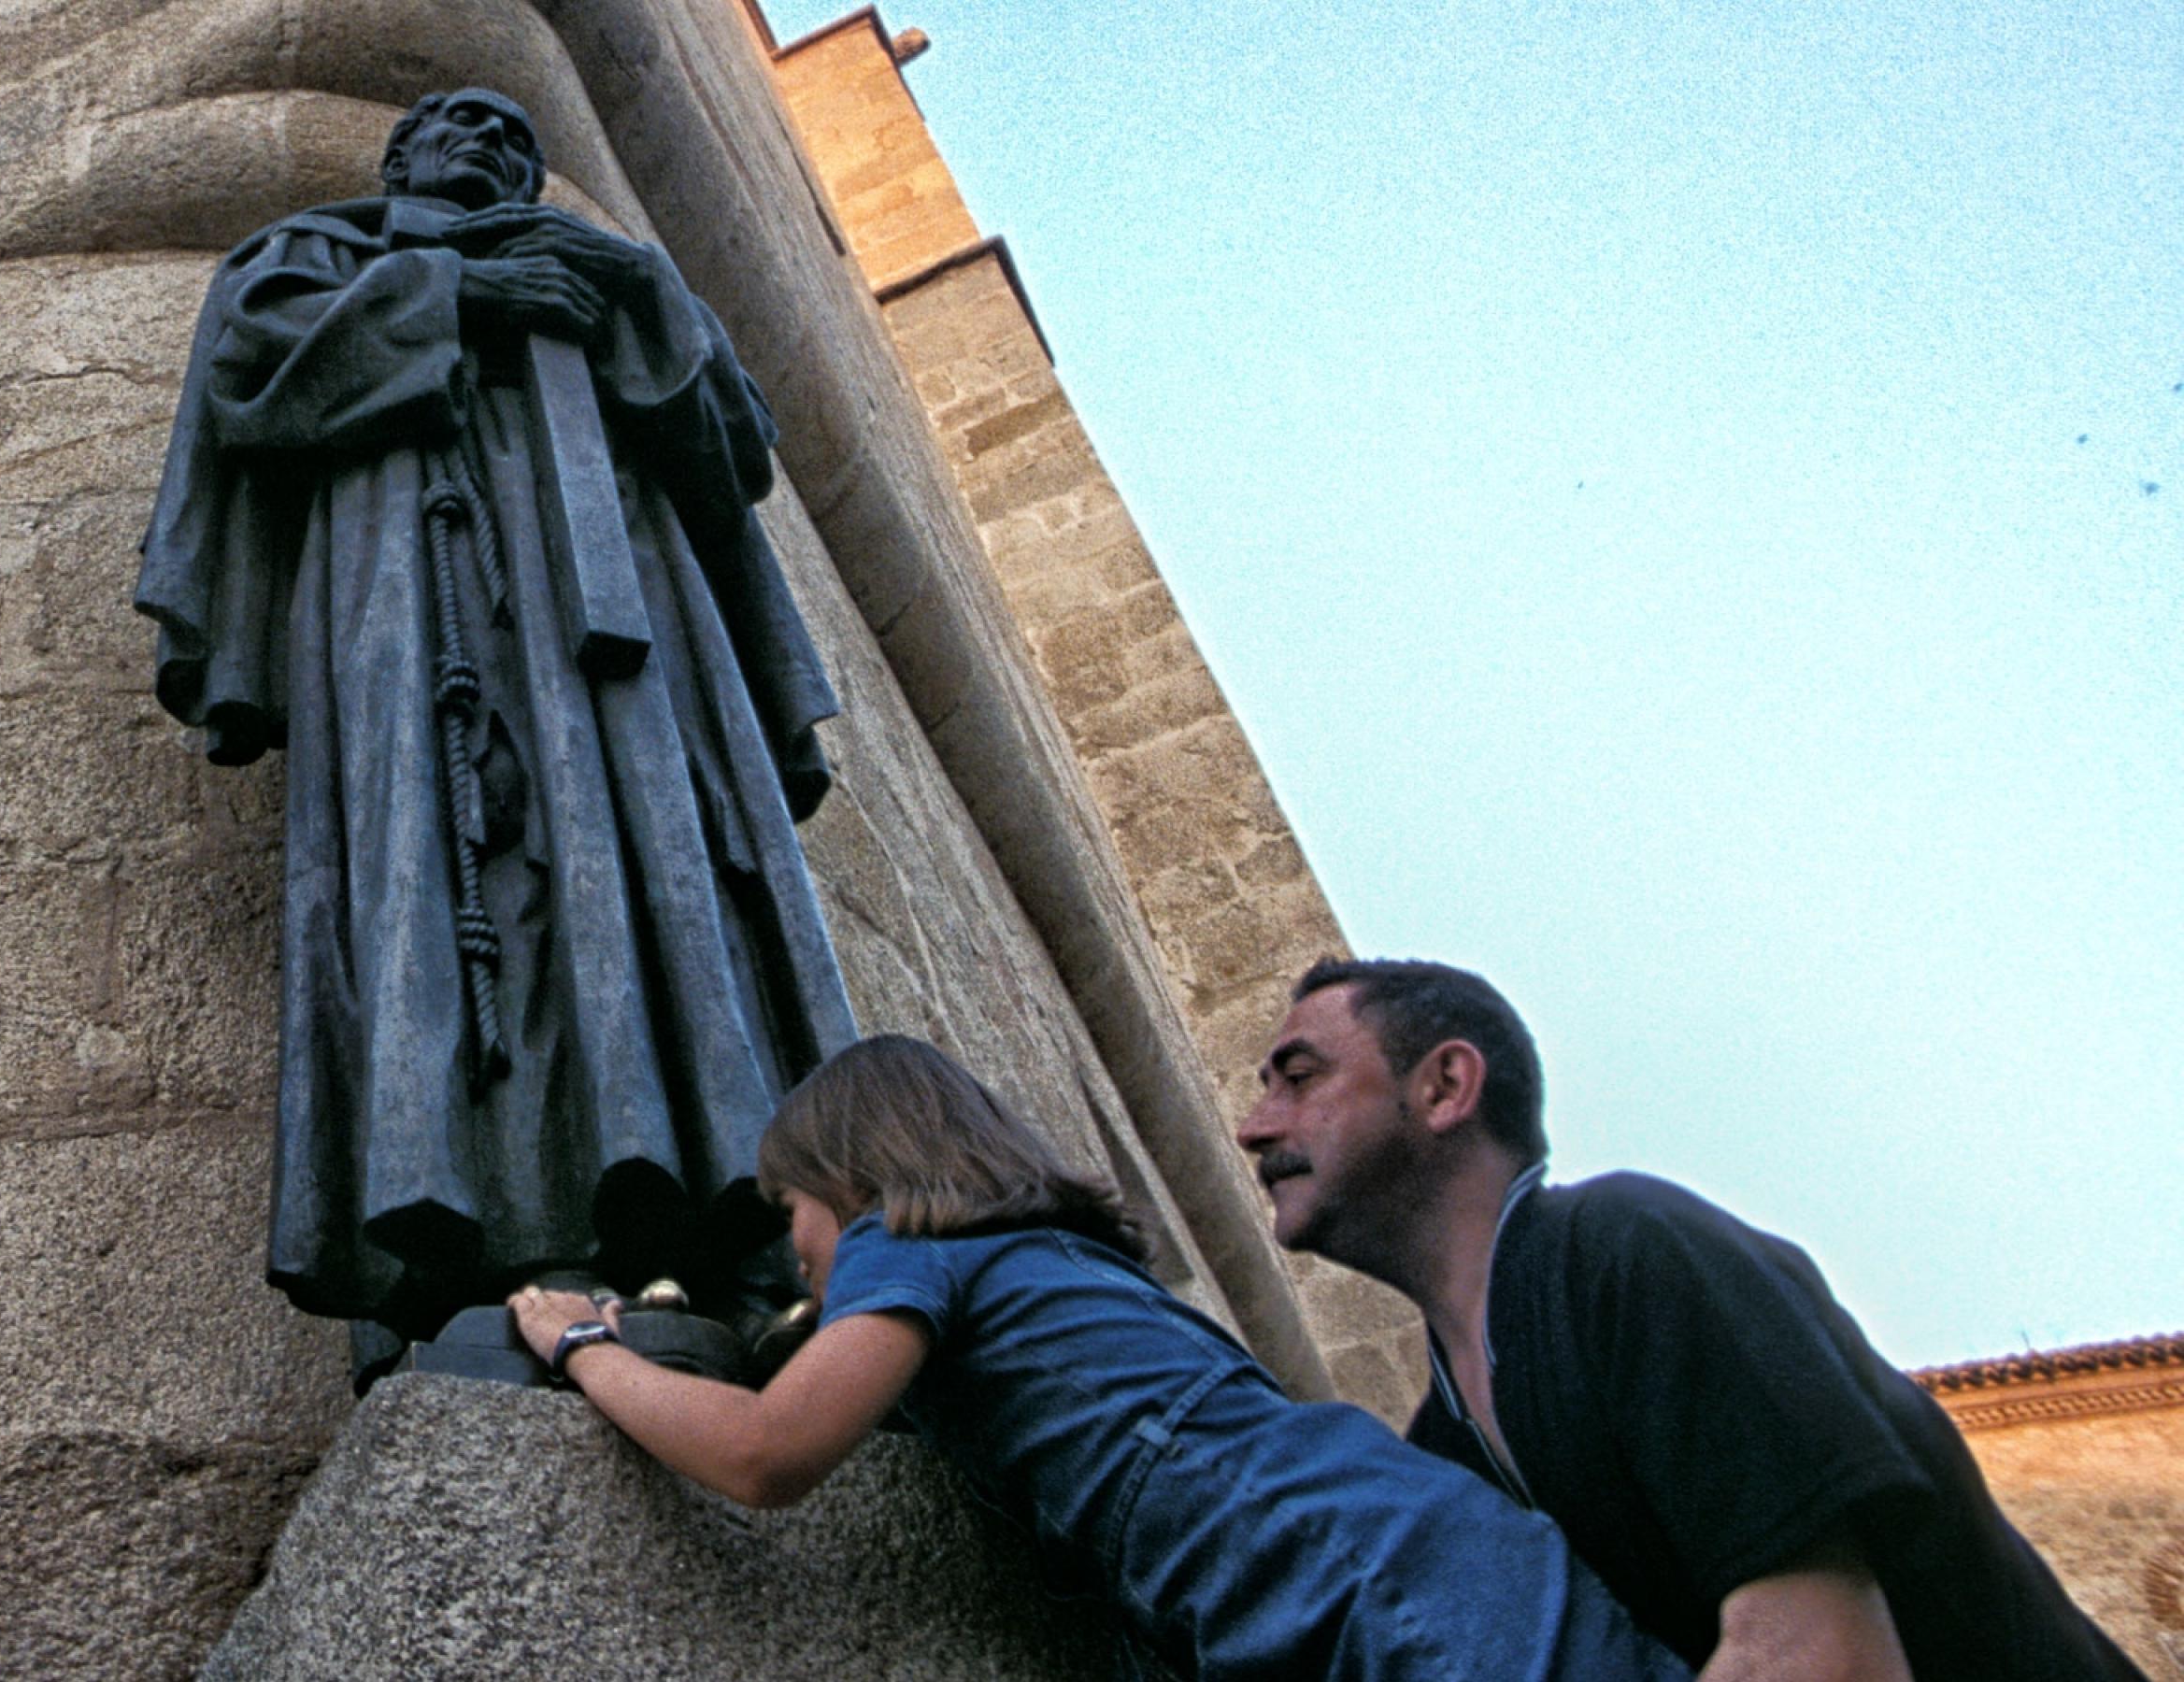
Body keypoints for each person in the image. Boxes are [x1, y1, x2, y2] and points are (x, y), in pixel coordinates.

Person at [135, 90, 855, 1351]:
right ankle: (511, 1242)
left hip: (633, 619)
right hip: (413, 592)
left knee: (668, 874)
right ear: (402, 153)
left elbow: (732, 444)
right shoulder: (326, 249)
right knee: (462, 876)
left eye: (513, 140)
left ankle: (746, 1238)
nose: (484, 141)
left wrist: (634, 298)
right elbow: (258, 366)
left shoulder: (602, 267)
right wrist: (465, 299)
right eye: (454, 125)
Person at [511, 1034, 1691, 1680]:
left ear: (851, 1178)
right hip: (1416, 1553)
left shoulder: (904, 1237)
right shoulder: (1048, 1264)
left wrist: (580, 1346)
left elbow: (771, 1455)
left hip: (1369, 1579)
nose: (798, 1252)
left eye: (791, 1214)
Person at [1236, 958, 2145, 1681]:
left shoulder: (1625, 1252)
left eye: (1299, 1077)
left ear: (1443, 1087)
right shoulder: (1441, 1451)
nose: (1253, 1126)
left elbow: (1823, 1659)